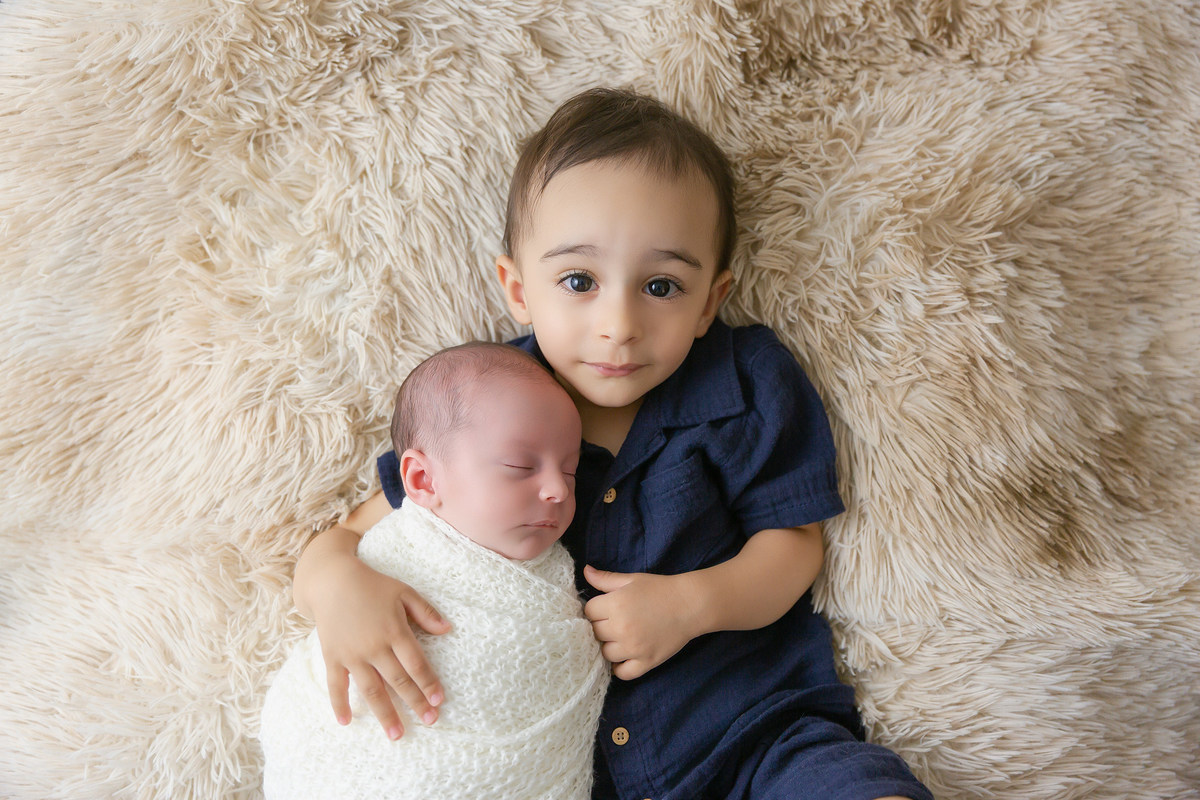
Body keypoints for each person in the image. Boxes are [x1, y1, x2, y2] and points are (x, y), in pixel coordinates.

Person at [292, 88, 933, 800]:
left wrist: (690, 605)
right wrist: (337, 588)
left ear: (710, 302)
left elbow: (793, 546)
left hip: (752, 736)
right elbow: (349, 534)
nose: (619, 322)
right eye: (578, 280)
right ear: (518, 288)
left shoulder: (745, 382)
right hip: (572, 771)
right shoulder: (484, 400)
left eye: (661, 285)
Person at [262, 342, 608, 799]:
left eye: (570, 471)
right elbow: (330, 550)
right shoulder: (400, 542)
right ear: (424, 481)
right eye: (521, 466)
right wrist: (338, 589)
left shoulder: (554, 571)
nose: (556, 491)